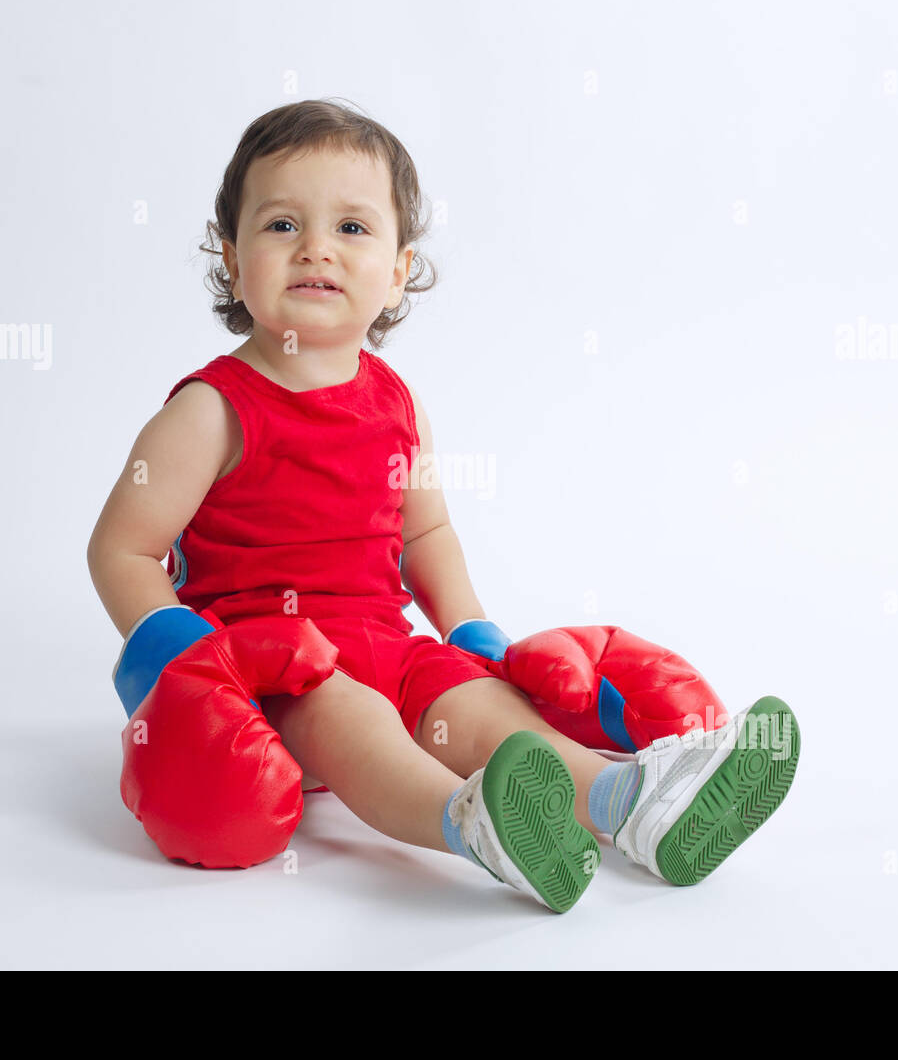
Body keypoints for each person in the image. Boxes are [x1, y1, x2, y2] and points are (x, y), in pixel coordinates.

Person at [87, 98, 798, 913]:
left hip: (391, 640)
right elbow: (121, 550)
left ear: (397, 270)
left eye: (352, 227)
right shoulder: (211, 409)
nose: (316, 246)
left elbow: (425, 532)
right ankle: (467, 822)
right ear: (231, 255)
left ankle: (628, 802)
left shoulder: (395, 402)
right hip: (277, 661)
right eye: (283, 224)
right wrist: (194, 661)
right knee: (346, 710)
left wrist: (470, 633)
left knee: (478, 705)